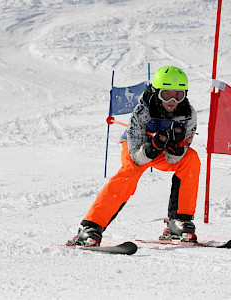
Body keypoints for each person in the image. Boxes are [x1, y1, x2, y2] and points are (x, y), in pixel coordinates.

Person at [66, 66, 201, 247]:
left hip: (163, 151)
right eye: (166, 94)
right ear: (156, 92)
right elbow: (136, 156)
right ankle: (91, 227)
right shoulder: (142, 111)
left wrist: (175, 147)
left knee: (191, 159)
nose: (172, 101)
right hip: (136, 147)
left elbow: (174, 159)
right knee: (130, 171)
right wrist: (153, 147)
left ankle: (179, 222)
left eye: (178, 95)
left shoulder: (188, 115)